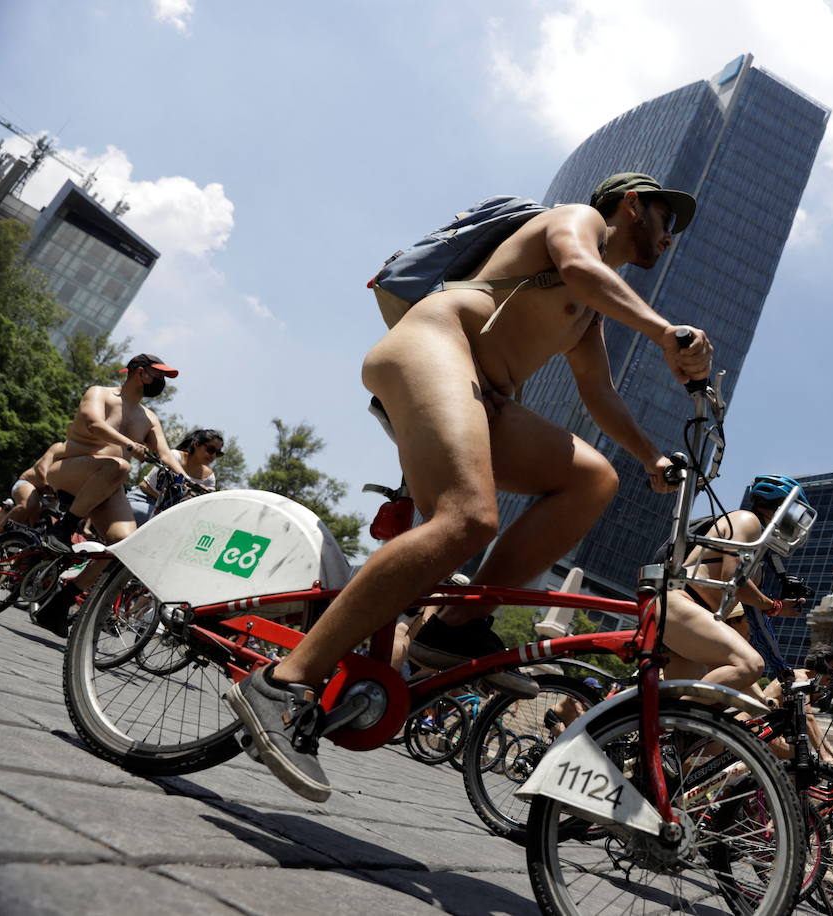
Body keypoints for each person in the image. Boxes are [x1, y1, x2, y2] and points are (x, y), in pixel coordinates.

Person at [225, 172, 712, 802]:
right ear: (632, 206)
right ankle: (282, 682)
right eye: (667, 222)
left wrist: (652, 456)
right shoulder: (577, 223)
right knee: (467, 518)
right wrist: (664, 332)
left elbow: (598, 392)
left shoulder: (589, 313)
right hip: (432, 347)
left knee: (594, 479)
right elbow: (575, 263)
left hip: (485, 397)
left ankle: (454, 627)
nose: (670, 240)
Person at [29, 354, 188, 635]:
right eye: (158, 375)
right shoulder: (100, 393)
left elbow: (164, 453)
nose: (161, 382)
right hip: (69, 471)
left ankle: (59, 604)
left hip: (108, 484)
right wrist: (129, 444)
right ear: (140, 372)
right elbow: (92, 423)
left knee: (124, 547)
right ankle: (64, 529)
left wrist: (190, 482)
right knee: (120, 465)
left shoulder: (149, 418)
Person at [660, 475, 809, 704]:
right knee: (750, 664)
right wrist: (774, 605)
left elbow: (755, 614)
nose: (797, 523)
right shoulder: (745, 520)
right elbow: (733, 579)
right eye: (797, 514)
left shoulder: (758, 554)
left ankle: (670, 730)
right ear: (782, 507)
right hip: (680, 603)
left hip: (691, 616)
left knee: (689, 719)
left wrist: (780, 662)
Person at [126, 428, 223, 525]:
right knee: (161, 524)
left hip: (170, 514)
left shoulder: (209, 477)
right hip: (144, 500)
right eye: (211, 450)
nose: (213, 456)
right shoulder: (174, 457)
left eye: (218, 453)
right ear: (196, 444)